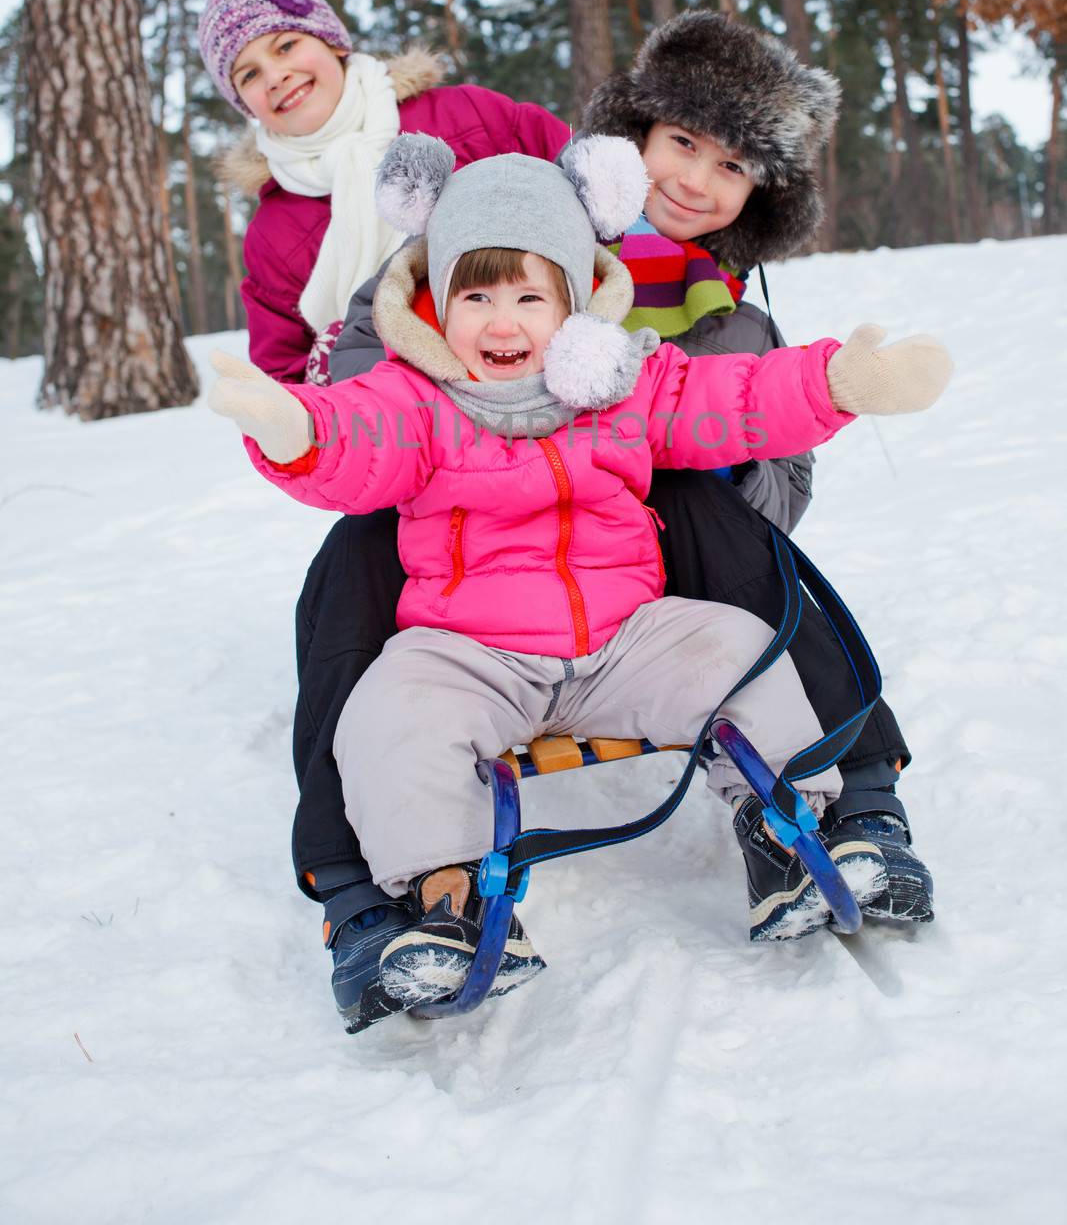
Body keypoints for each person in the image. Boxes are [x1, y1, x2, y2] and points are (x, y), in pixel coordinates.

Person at [209, 134, 952, 1017]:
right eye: (475, 295)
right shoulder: (412, 398)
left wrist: (837, 382)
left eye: (530, 295)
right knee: (390, 712)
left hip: (624, 639)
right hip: (471, 652)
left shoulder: (625, 381)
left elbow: (733, 398)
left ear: (574, 302)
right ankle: (439, 903)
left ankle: (796, 831)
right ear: (436, 303)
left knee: (737, 647)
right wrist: (291, 428)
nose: (502, 321)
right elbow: (351, 443)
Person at [195, 0, 571, 384]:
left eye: (286, 46)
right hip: (412, 432)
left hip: (547, 386)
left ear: (330, 41)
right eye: (249, 74)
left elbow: (581, 180)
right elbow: (285, 375)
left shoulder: (463, 115)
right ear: (244, 103)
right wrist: (328, 379)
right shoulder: (273, 231)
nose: (276, 76)